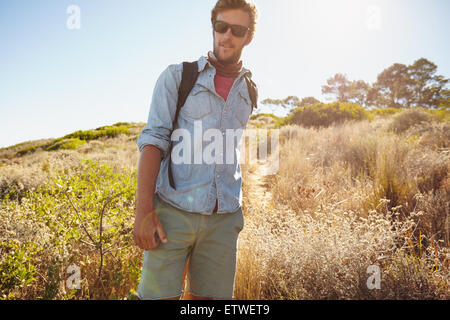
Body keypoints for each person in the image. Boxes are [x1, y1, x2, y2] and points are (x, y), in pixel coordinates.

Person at [133, 0, 258, 300]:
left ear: (249, 36)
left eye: (237, 30)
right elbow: (153, 141)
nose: (227, 36)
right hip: (172, 212)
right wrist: (143, 212)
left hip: (224, 218)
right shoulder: (178, 76)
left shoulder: (249, 90)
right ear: (213, 28)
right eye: (221, 27)